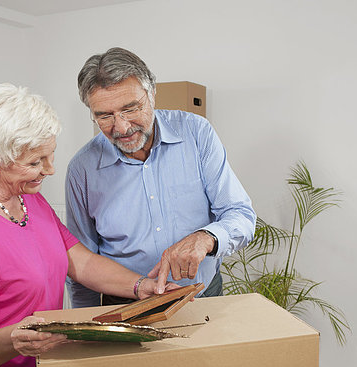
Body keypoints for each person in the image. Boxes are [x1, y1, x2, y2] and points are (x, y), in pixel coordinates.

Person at [0, 83, 176, 367]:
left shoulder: (28, 199)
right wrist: (14, 339)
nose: (49, 170)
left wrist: (141, 286)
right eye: (35, 162)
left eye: (50, 156)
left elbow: (81, 260)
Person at [65, 47, 257, 308]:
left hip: (202, 297)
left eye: (131, 109)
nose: (121, 127)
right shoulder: (82, 169)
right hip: (124, 306)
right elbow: (80, 261)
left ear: (152, 94)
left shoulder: (196, 133)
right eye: (105, 116)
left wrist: (205, 238)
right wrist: (85, 327)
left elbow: (241, 215)